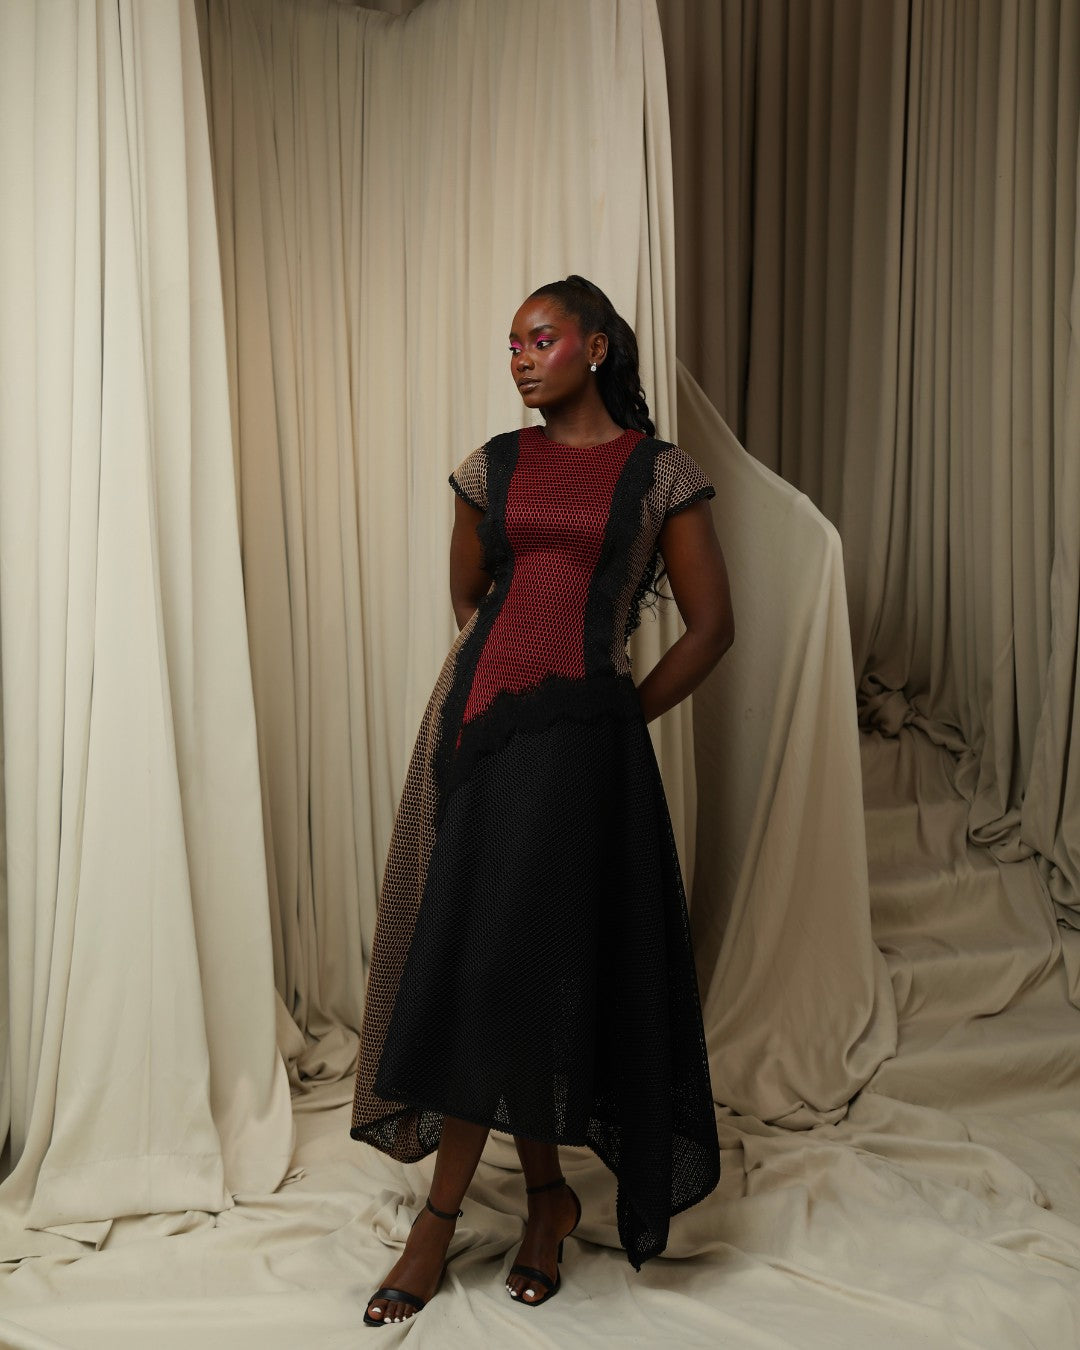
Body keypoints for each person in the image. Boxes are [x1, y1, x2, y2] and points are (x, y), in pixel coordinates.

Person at [351, 275, 734, 1326]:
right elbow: (472, 602)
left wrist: (612, 716)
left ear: (595, 347)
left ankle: (443, 1221)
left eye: (542, 338)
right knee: (493, 960)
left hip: (581, 753)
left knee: (517, 962)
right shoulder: (492, 466)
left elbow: (713, 628)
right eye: (513, 344)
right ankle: (547, 1201)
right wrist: (514, 694)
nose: (521, 357)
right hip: (476, 731)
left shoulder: (660, 473)